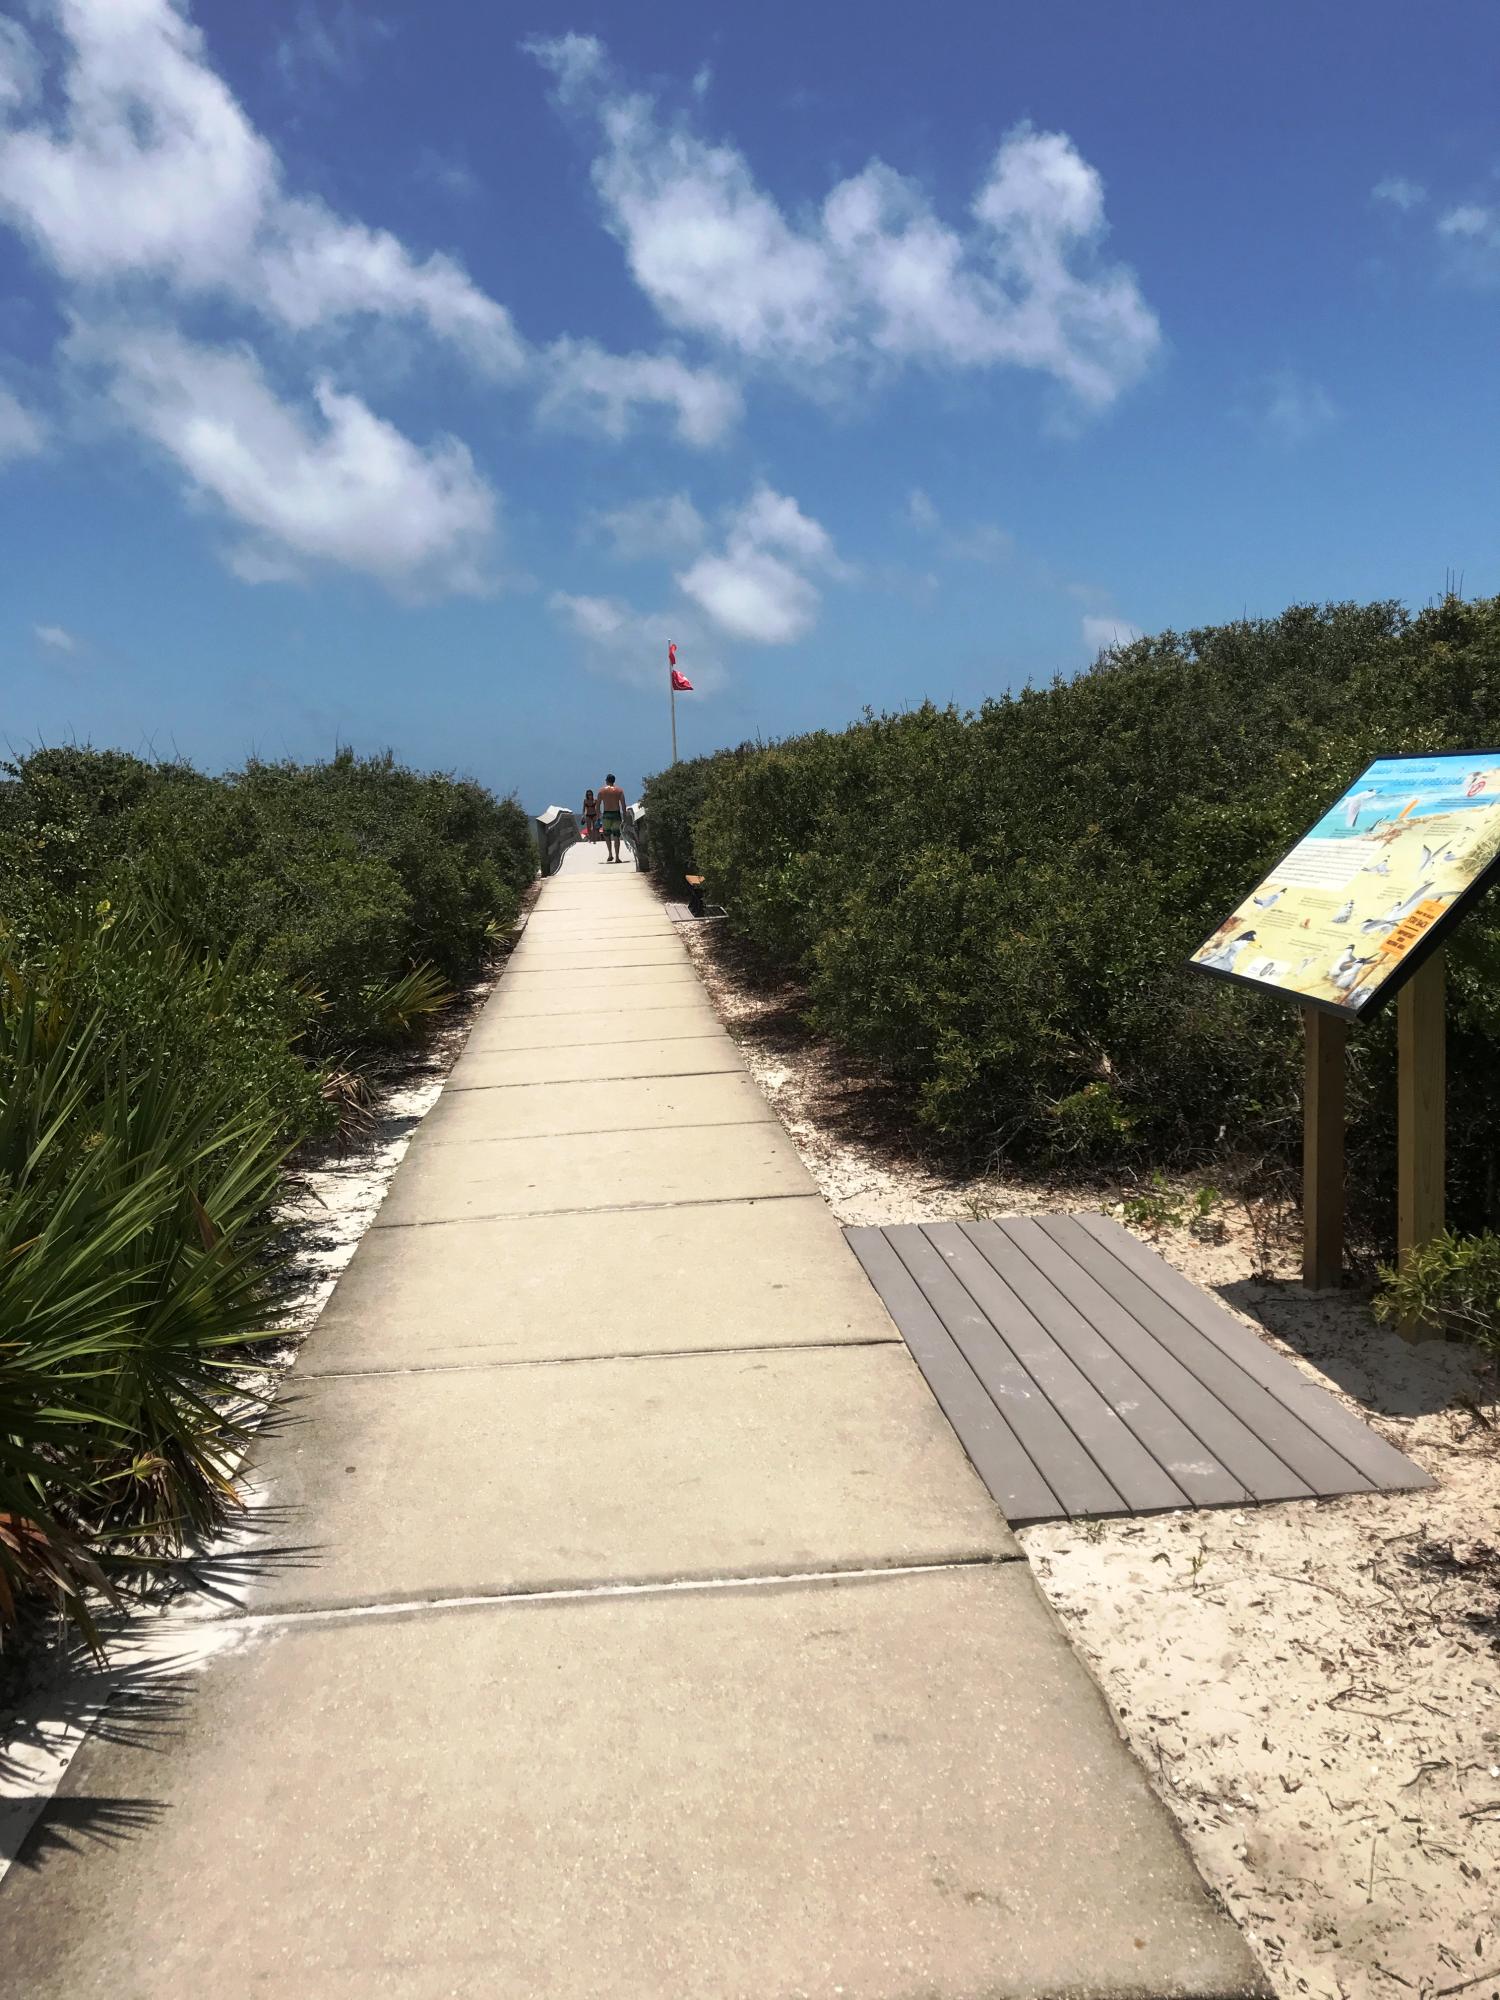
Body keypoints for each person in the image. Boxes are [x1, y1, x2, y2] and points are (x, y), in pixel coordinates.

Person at [598, 772, 627, 863]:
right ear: (614, 781)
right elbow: (623, 804)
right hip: (616, 814)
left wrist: (598, 815)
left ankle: (610, 854)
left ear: (607, 781)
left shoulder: (601, 791)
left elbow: (598, 805)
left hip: (606, 814)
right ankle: (617, 857)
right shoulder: (619, 790)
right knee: (616, 835)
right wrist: (625, 816)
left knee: (607, 835)